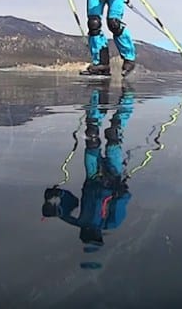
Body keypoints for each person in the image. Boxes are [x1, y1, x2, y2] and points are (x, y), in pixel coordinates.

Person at [41, 82, 134, 250]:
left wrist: (56, 196)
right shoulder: (110, 223)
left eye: (87, 236)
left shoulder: (78, 222)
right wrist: (122, 192)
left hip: (92, 177)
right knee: (113, 135)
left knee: (92, 136)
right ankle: (127, 98)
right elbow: (123, 201)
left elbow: (70, 203)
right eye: (92, 237)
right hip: (113, 178)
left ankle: (96, 95)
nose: (89, 233)